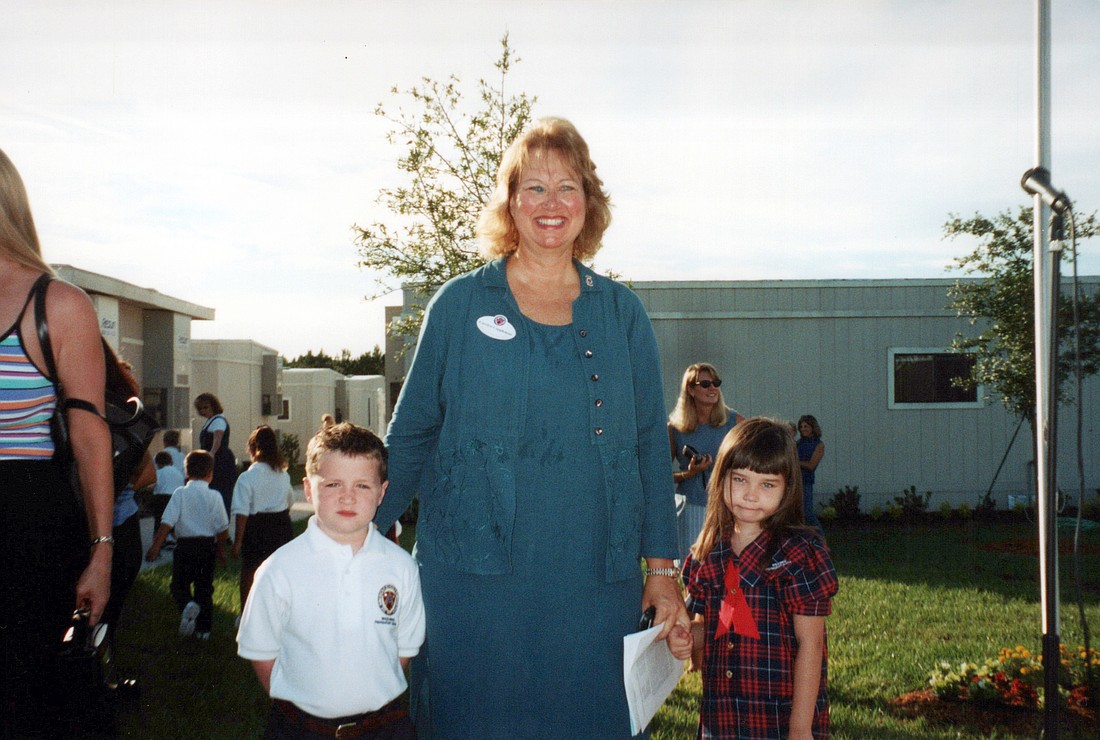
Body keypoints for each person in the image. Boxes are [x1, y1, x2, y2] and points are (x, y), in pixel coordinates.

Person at [374, 116, 688, 738]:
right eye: (535, 188)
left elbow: (651, 447)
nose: (552, 204)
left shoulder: (623, 314)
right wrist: (356, 536)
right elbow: (410, 434)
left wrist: (661, 570)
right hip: (471, 580)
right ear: (511, 202)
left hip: (595, 581)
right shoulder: (459, 304)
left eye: (567, 187)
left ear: (588, 203)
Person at [0, 148, 115, 734]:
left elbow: (90, 436)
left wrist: (102, 551)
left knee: (26, 703)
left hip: (28, 525)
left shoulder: (59, 305)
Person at [237, 422, 424, 739]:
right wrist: (302, 704)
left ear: (381, 492)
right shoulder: (279, 569)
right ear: (309, 489)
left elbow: (403, 648)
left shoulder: (401, 568)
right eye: (334, 484)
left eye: (362, 486)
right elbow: (260, 650)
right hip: (300, 728)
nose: (348, 497)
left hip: (383, 727)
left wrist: (367, 694)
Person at [671, 417, 838, 739]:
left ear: (787, 488)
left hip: (780, 719)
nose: (750, 495)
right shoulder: (709, 552)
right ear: (721, 478)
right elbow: (708, 627)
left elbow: (811, 644)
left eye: (767, 484)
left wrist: (800, 728)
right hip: (722, 718)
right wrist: (685, 637)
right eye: (740, 479)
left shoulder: (800, 554)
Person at [145, 450, 229, 639]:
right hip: (207, 547)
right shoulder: (215, 496)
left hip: (184, 547)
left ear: (187, 472)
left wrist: (155, 547)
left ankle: (187, 604)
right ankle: (203, 630)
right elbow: (223, 528)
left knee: (178, 585)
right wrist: (221, 550)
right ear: (210, 474)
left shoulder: (180, 494)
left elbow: (166, 523)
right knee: (204, 588)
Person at [668, 362, 745, 562]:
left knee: (727, 564)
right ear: (690, 390)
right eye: (705, 384)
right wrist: (689, 473)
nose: (712, 388)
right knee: (693, 565)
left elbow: (755, 461)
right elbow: (661, 475)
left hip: (728, 505)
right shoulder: (675, 428)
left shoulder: (735, 422)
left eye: (716, 383)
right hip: (691, 506)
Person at [230, 425, 294, 614]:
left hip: (256, 527)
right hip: (281, 525)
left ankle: (246, 613)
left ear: (252, 450)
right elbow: (289, 501)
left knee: (250, 571)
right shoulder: (283, 475)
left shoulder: (246, 477)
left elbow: (241, 512)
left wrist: (238, 542)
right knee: (279, 573)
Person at [194, 392, 238, 516]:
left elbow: (217, 438)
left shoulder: (218, 420)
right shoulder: (210, 421)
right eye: (200, 408)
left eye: (206, 407)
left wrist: (212, 454)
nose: (203, 411)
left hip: (220, 461)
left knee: (221, 492)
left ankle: (221, 521)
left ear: (213, 406)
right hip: (212, 461)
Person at [796, 415, 825, 530]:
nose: (803, 429)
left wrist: (795, 462)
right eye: (801, 427)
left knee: (807, 513)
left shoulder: (819, 444)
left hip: (806, 481)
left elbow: (811, 465)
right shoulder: (798, 443)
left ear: (813, 427)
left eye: (806, 426)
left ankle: (820, 537)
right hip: (794, 481)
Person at [151, 450, 184, 532]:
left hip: (161, 499)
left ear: (158, 463)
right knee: (174, 522)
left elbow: (153, 485)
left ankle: (159, 537)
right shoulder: (178, 473)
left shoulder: (159, 472)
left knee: (160, 522)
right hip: (176, 498)